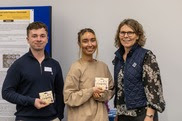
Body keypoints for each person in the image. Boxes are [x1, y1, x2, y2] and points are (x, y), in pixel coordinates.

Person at [2, 22, 65, 121]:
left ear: (47, 39)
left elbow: (60, 93)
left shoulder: (54, 64)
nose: (39, 39)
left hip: (51, 118)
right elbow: (6, 92)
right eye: (34, 36)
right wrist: (32, 101)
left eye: (42, 36)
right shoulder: (18, 65)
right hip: (25, 118)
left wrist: (59, 116)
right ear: (28, 39)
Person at [113, 19, 165, 121]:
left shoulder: (146, 56)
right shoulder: (118, 57)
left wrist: (149, 116)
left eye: (130, 32)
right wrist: (118, 114)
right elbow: (120, 88)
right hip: (123, 116)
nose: (126, 36)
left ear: (137, 36)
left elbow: (154, 88)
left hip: (142, 115)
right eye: (122, 32)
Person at [64, 28, 114, 121]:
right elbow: (69, 98)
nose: (90, 44)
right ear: (79, 44)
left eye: (93, 40)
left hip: (101, 118)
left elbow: (111, 90)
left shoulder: (103, 66)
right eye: (85, 41)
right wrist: (91, 91)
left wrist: (101, 96)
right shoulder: (76, 68)